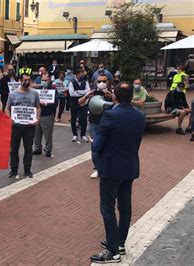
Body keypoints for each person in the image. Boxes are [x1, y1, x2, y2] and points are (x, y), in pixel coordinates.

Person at [90, 83, 145, 263]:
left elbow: (98, 145)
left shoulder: (110, 115)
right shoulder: (139, 116)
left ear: (115, 96)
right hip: (129, 167)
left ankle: (112, 252)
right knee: (125, 207)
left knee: (107, 208)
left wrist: (93, 140)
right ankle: (119, 243)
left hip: (110, 168)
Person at [78, 74, 114, 179]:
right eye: (99, 81)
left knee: (108, 146)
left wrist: (111, 96)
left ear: (108, 82)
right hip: (94, 122)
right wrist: (86, 96)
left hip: (107, 123)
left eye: (103, 81)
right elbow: (80, 102)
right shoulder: (92, 92)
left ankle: (107, 167)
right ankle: (97, 168)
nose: (101, 83)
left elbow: (117, 104)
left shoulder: (112, 92)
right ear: (95, 82)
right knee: (95, 147)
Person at [6, 73, 41, 179]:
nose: (27, 82)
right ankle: (13, 170)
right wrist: (9, 118)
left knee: (28, 149)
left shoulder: (34, 93)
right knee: (14, 149)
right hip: (16, 125)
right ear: (20, 80)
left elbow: (38, 107)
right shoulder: (13, 94)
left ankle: (27, 170)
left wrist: (37, 118)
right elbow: (7, 108)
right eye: (25, 80)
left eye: (28, 80)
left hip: (29, 126)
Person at [33, 75, 58, 157]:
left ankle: (48, 150)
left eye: (45, 80)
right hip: (37, 114)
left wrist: (46, 103)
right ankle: (37, 148)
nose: (43, 82)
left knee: (48, 134)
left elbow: (55, 103)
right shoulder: (38, 90)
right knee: (37, 133)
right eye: (42, 80)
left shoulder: (53, 90)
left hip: (47, 114)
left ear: (49, 80)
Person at [67, 68, 91, 142]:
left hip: (84, 103)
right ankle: (75, 135)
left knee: (84, 119)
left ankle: (83, 135)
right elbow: (72, 93)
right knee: (73, 119)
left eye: (82, 74)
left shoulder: (85, 82)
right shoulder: (71, 82)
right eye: (80, 74)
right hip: (74, 103)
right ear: (76, 75)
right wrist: (83, 92)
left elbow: (88, 91)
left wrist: (78, 91)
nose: (82, 76)